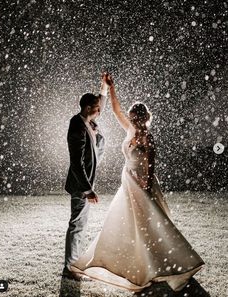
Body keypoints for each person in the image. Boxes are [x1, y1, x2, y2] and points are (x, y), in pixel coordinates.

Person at [70, 74, 205, 292]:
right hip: (128, 181)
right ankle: (128, 262)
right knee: (124, 224)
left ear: (143, 118)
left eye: (135, 118)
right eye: (131, 118)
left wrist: (146, 183)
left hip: (142, 184)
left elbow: (151, 164)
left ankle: (171, 262)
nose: (131, 121)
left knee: (150, 225)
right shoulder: (131, 130)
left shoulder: (147, 137)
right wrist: (110, 88)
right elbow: (116, 110)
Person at [62, 74, 108, 281]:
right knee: (77, 225)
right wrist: (87, 189)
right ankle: (70, 268)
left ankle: (75, 265)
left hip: (86, 183)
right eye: (97, 107)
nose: (100, 110)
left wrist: (104, 88)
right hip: (82, 185)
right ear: (88, 108)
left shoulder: (88, 121)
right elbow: (76, 161)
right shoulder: (77, 125)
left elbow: (101, 104)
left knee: (80, 225)